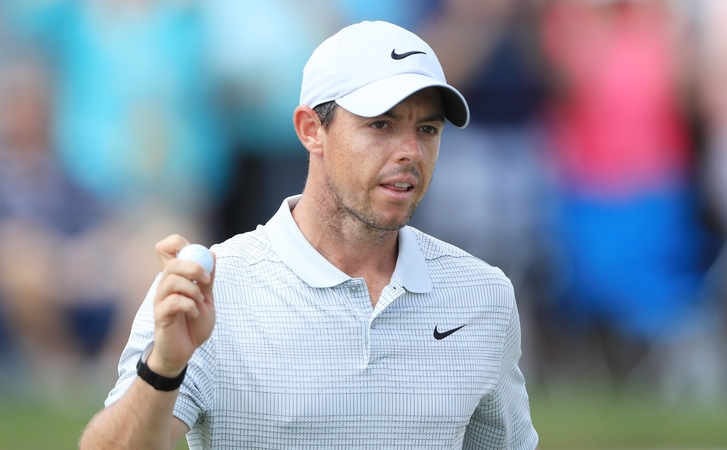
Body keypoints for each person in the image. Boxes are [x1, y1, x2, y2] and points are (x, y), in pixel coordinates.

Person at [79, 21, 538, 449]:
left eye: (428, 129)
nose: (411, 151)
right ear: (311, 130)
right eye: (381, 124)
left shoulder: (484, 296)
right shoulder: (213, 289)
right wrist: (164, 366)